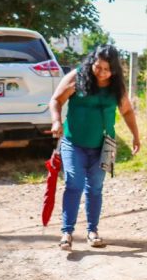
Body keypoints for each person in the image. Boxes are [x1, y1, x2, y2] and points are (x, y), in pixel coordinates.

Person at [49, 45, 140, 251]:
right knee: (74, 184)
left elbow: (126, 111)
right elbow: (56, 100)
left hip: (104, 145)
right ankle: (67, 232)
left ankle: (92, 231)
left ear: (114, 70)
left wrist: (135, 135)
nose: (100, 72)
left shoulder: (116, 86)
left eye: (106, 69)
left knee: (96, 188)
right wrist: (56, 122)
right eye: (97, 67)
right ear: (92, 62)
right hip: (74, 143)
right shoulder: (77, 77)